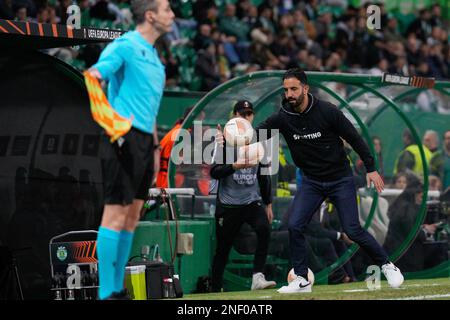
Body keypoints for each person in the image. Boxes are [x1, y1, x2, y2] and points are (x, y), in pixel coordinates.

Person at [255, 68, 403, 293]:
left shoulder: (327, 111)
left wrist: (371, 169)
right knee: (295, 226)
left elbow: (355, 138)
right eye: (286, 90)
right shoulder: (283, 117)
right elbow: (256, 134)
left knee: (352, 230)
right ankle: (301, 280)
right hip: (311, 181)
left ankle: (388, 266)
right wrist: (231, 138)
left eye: (294, 89)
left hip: (340, 179)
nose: (289, 94)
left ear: (305, 88)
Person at [87, 0, 175, 300]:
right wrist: (113, 124)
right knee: (115, 215)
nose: (173, 14)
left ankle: (117, 291)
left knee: (132, 217)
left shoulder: (155, 57)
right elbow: (93, 78)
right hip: (121, 138)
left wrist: (152, 147)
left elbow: (149, 110)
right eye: (167, 9)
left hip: (143, 143)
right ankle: (106, 293)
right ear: (150, 15)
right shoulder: (125, 45)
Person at [210, 100, 276, 292]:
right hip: (229, 204)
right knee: (223, 249)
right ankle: (215, 289)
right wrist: (235, 166)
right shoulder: (223, 142)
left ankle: (257, 276)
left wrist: (268, 203)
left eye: (249, 113)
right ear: (235, 116)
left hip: (251, 201)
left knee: (264, 229)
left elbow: (264, 175)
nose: (246, 117)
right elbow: (215, 172)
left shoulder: (257, 142)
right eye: (242, 113)